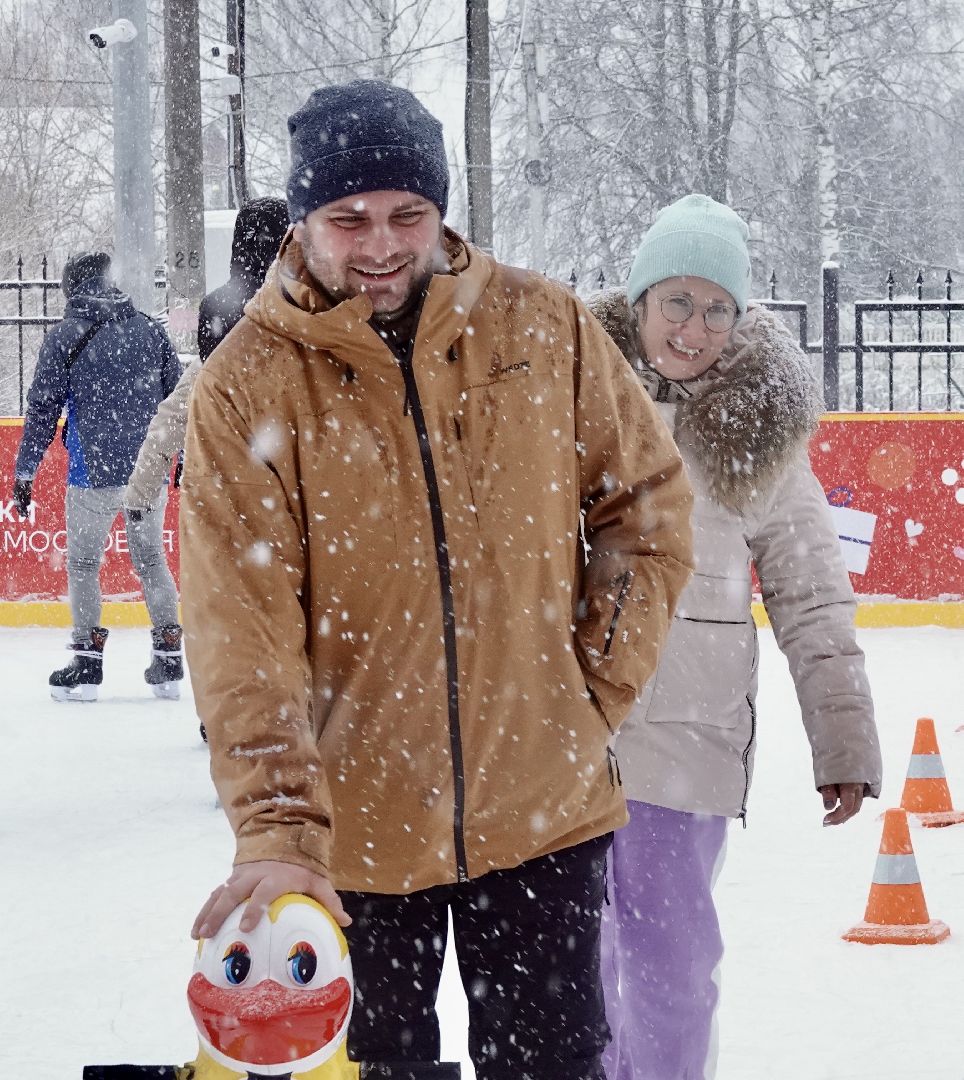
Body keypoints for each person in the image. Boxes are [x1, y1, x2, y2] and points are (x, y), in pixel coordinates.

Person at [180, 80, 695, 1080]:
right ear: (303, 220)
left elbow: (647, 508)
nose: (380, 244)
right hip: (352, 843)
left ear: (442, 209)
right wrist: (280, 826)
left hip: (544, 814)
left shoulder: (541, 327)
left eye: (408, 215)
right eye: (348, 219)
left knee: (554, 1067)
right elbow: (237, 624)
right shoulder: (248, 381)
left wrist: (588, 694)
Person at [587, 194, 883, 1080]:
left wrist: (844, 736)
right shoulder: (570, 399)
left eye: (718, 307)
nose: (694, 326)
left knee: (672, 966)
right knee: (572, 966)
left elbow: (813, 593)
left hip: (687, 741)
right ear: (638, 299)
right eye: (677, 299)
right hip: (567, 732)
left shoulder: (758, 432)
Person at [11, 251, 184, 702]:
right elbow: (179, 400)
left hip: (94, 474)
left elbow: (43, 410)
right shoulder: (149, 329)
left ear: (74, 288)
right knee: (150, 561)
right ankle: (168, 656)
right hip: (148, 469)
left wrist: (25, 470)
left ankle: (86, 661)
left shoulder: (66, 335)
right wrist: (177, 457)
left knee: (85, 564)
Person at [123, 197, 289, 516]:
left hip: (222, 480)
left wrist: (140, 493)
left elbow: (174, 414)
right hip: (290, 482)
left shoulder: (219, 310)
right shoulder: (308, 309)